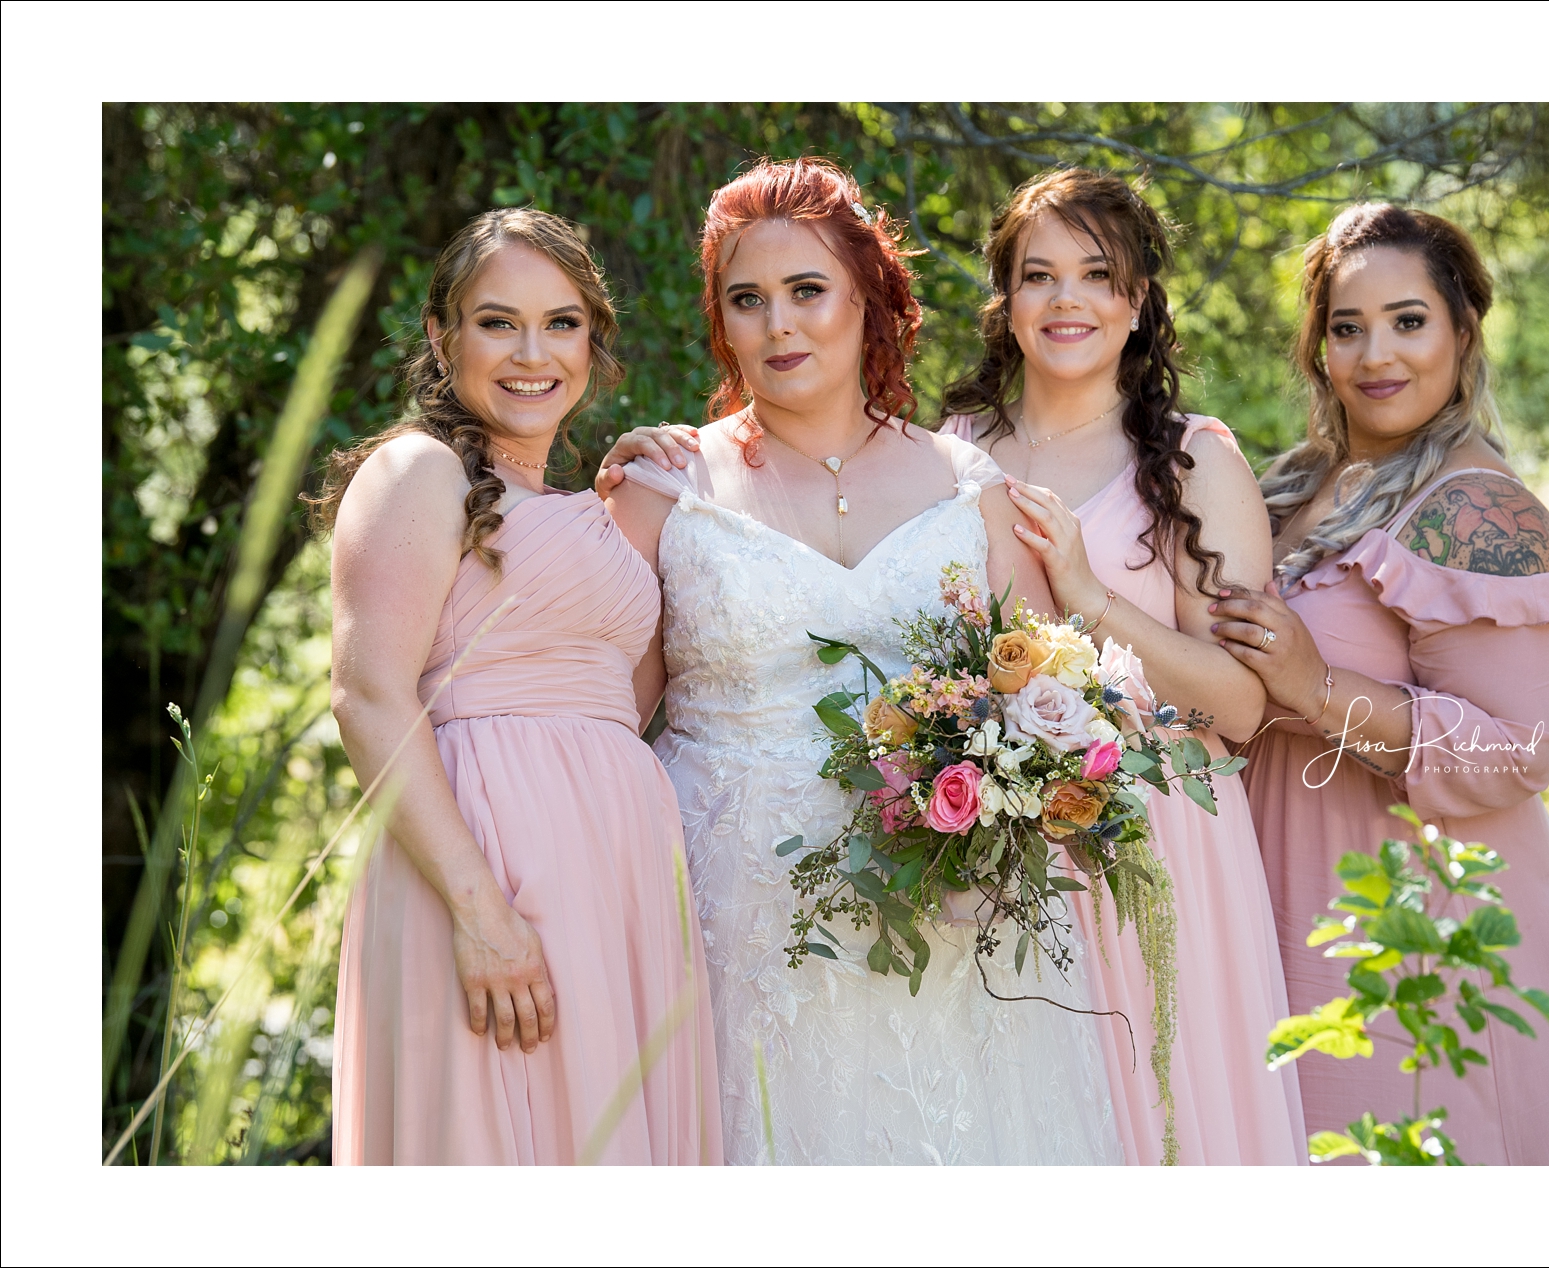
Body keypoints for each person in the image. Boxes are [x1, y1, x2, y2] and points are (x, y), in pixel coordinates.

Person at [601, 158, 1123, 1165]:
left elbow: (1044, 690)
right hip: (735, 921)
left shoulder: (966, 484)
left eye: (807, 292)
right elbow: (598, 720)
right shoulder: (665, 487)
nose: (778, 326)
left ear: (869, 301)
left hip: (954, 912)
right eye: (746, 301)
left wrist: (1003, 809)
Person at [1213, 203, 1549, 1164]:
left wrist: (1318, 689)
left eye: (1408, 321)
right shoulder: (1295, 483)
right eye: (1347, 327)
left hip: (1418, 906)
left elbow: (1520, 749)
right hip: (1282, 883)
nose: (1375, 355)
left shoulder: (1482, 508)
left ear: (1462, 330)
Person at [321, 208, 721, 1165]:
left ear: (593, 338)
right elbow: (368, 695)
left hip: (617, 875)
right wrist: (481, 913)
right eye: (498, 322)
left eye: (562, 323)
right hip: (478, 870)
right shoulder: (416, 471)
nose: (532, 352)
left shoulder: (587, 509)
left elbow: (621, 705)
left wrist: (627, 505)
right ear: (441, 334)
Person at [938, 168, 1305, 1165]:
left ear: (1136, 301)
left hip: (1158, 830)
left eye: (1097, 275)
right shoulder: (949, 454)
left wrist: (1088, 593)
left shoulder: (1192, 462)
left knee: (1165, 1119)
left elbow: (1240, 704)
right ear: (1006, 300)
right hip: (992, 834)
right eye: (1038, 275)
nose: (1066, 301)